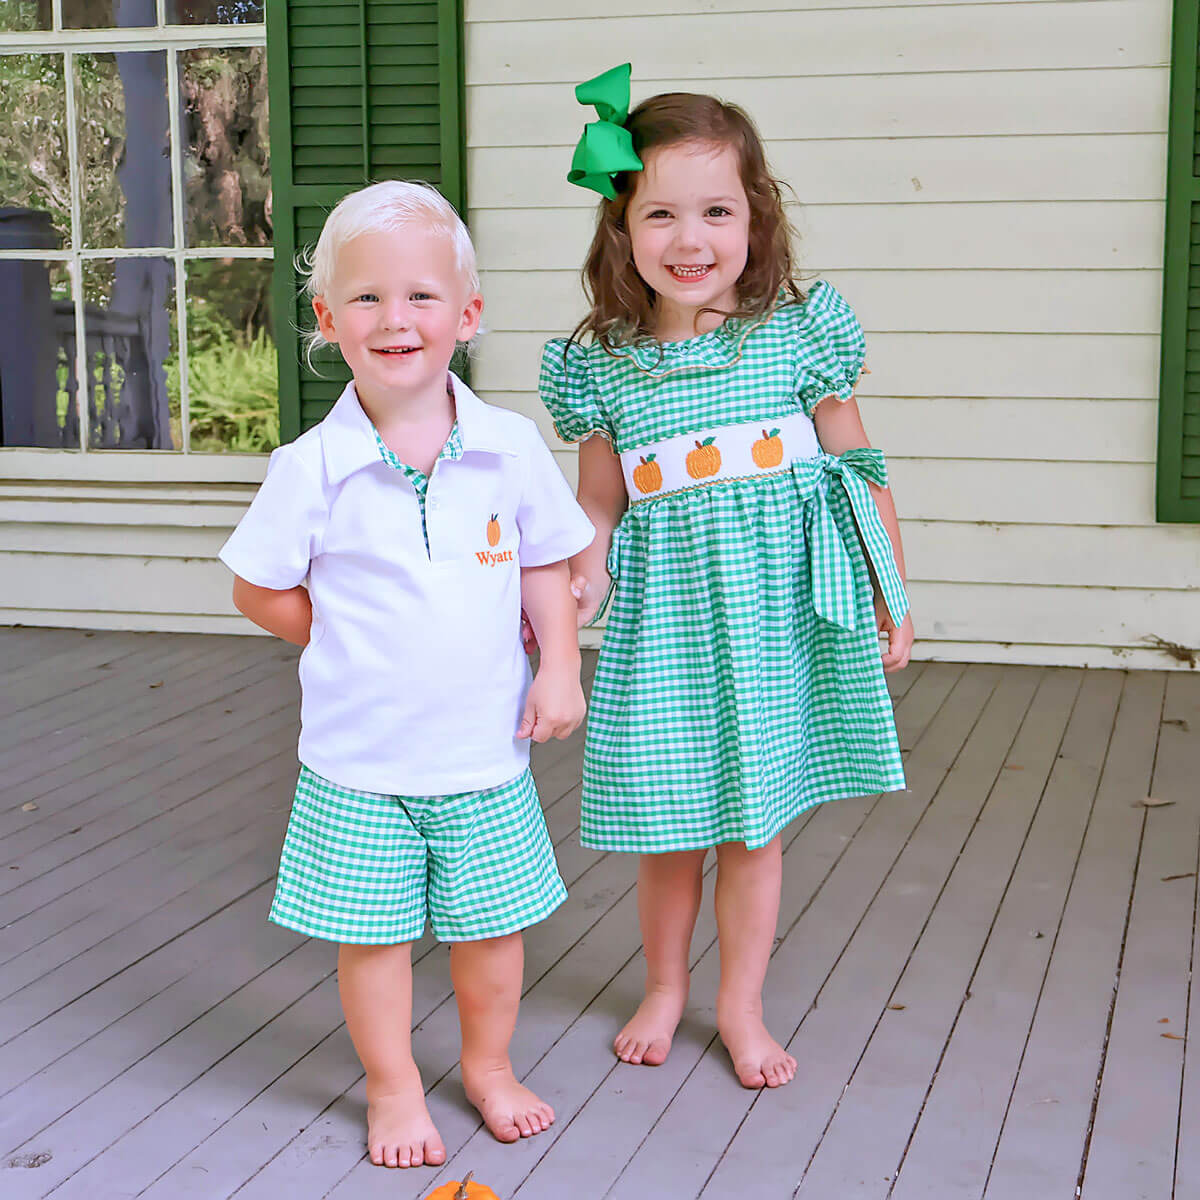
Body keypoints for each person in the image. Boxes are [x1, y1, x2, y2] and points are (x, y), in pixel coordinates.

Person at [540, 66, 914, 1091]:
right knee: (670, 832)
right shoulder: (603, 367)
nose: (690, 238)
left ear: (757, 218)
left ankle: (739, 1007)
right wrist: (579, 580)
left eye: (716, 210)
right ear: (622, 228)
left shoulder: (796, 335)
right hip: (666, 621)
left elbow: (856, 467)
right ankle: (663, 986)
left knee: (754, 830)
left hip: (776, 618)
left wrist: (890, 587)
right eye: (660, 213)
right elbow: (601, 504)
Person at [219, 181, 594, 1169]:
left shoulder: (510, 448)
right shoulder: (313, 466)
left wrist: (559, 664)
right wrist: (336, 635)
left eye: (423, 296)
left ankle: (489, 1066)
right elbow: (256, 588)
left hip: (486, 754)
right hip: (359, 765)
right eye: (369, 298)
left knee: (492, 932)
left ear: (466, 317)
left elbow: (547, 564)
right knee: (374, 940)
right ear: (327, 318)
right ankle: (391, 1086)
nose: (397, 320)